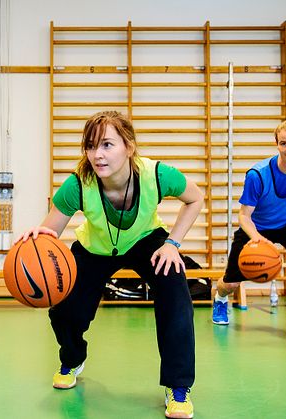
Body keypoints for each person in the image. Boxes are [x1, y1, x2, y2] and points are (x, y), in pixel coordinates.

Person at [18, 111, 204, 418]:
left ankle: (178, 385)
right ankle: (73, 358)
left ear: (129, 146)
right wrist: (37, 236)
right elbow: (51, 230)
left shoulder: (157, 175)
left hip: (145, 239)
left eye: (107, 144)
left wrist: (173, 244)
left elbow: (195, 198)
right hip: (96, 247)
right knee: (65, 309)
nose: (97, 154)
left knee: (175, 286)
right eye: (91, 146)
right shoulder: (78, 184)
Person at [212, 120, 286, 341]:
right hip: (257, 226)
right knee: (231, 283)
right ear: (276, 144)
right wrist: (258, 240)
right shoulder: (257, 175)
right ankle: (220, 298)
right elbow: (244, 216)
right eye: (284, 143)